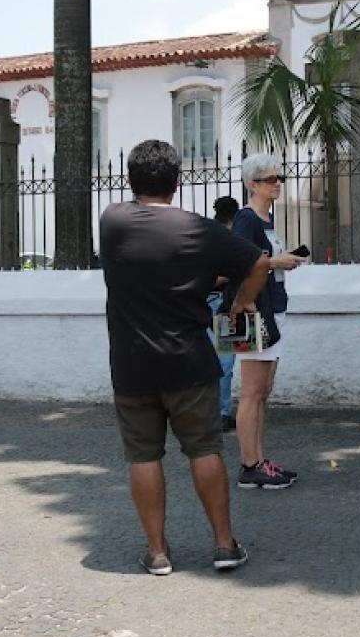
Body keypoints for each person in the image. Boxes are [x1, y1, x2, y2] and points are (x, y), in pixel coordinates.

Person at [100, 139, 269, 574]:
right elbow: (257, 264)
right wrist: (242, 303)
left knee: (143, 456)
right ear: (177, 182)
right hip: (189, 360)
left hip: (132, 362)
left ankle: (157, 552)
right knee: (204, 450)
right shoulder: (200, 228)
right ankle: (224, 545)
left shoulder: (112, 220)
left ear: (130, 180)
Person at [230, 154, 309, 489]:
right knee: (251, 392)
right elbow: (241, 262)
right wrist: (279, 260)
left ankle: (259, 460)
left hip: (269, 309)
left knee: (263, 390)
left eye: (279, 178)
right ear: (253, 184)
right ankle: (250, 466)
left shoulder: (265, 218)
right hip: (250, 311)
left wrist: (279, 260)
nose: (277, 183)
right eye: (270, 179)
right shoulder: (247, 219)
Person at [206, 195, 241, 431]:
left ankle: (212, 411)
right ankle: (222, 412)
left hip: (204, 303)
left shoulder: (205, 236)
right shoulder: (232, 238)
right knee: (226, 361)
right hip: (225, 304)